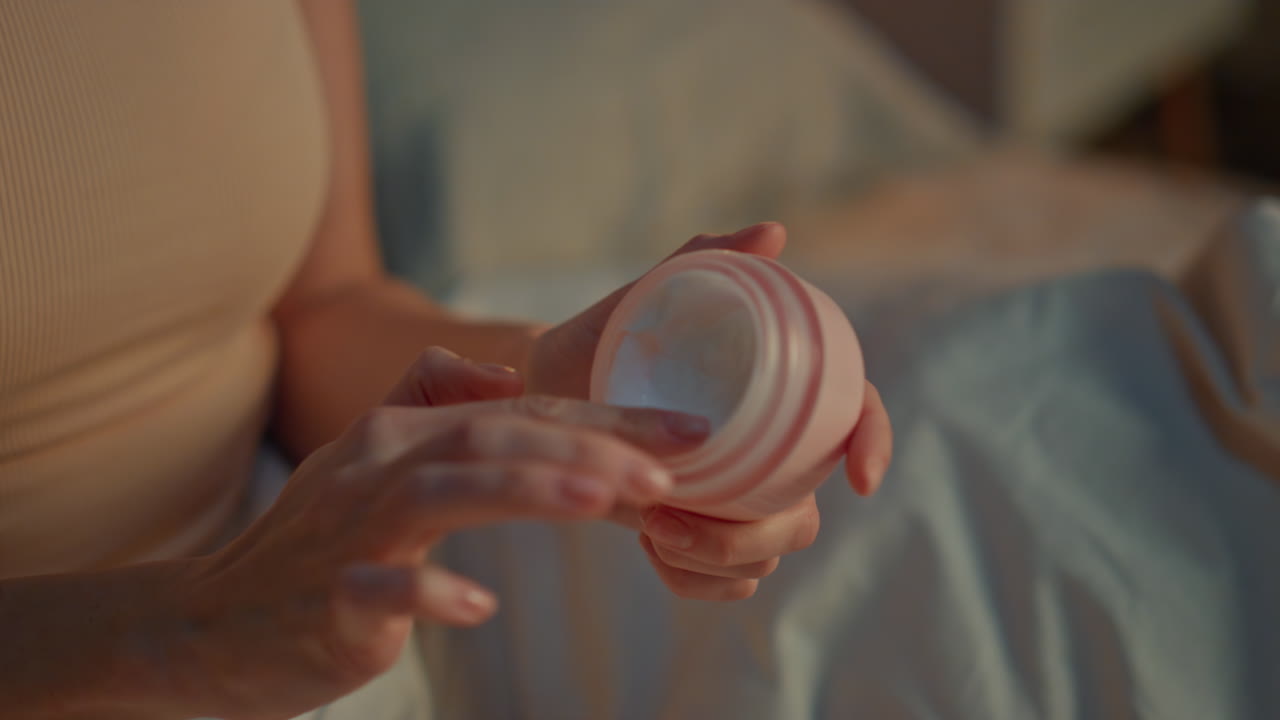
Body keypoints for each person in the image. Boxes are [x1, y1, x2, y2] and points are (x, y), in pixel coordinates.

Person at [0, 1, 892, 717]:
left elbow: (322, 309)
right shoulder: (210, 624)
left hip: (305, 609)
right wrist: (184, 630)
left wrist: (542, 382)